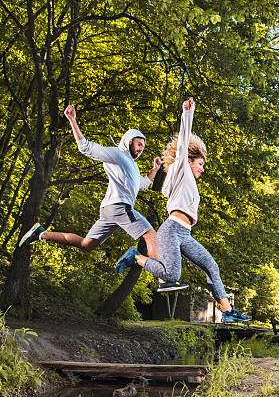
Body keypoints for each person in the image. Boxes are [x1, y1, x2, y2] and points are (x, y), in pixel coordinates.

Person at [19, 105, 186, 292]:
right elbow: (86, 148)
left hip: (109, 210)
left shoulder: (130, 165)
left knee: (86, 244)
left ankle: (40, 234)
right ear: (129, 141)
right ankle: (163, 278)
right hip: (119, 207)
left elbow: (142, 184)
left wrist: (154, 170)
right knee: (150, 235)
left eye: (143, 147)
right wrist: (72, 120)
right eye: (139, 144)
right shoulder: (118, 154)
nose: (141, 149)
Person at [116, 97, 249, 323]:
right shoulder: (181, 168)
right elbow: (185, 138)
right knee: (171, 275)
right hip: (171, 230)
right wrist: (188, 113)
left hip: (185, 234)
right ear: (188, 160)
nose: (202, 169)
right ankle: (135, 257)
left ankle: (227, 311)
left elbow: (170, 190)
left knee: (211, 265)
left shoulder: (183, 182)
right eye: (200, 164)